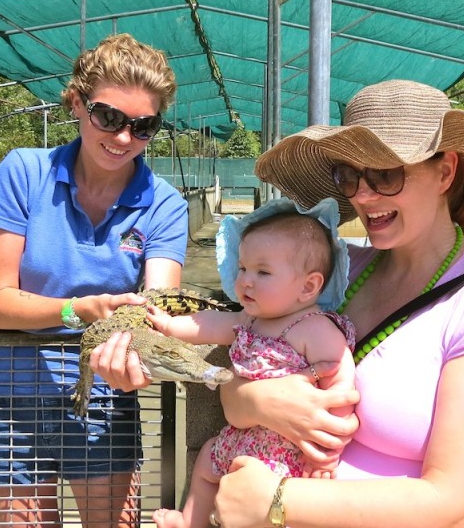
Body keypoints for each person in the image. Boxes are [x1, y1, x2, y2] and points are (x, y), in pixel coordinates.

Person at [91, 78, 464, 528]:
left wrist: (277, 500)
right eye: (351, 176)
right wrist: (252, 399)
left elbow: (453, 501)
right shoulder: (342, 270)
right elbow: (248, 355)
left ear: (445, 173)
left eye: (386, 175)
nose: (364, 196)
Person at [0, 33, 189, 528]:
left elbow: (158, 303)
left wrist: (142, 346)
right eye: (108, 117)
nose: (123, 137)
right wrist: (78, 310)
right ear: (76, 103)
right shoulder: (24, 172)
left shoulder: (165, 204)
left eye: (143, 126)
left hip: (104, 391)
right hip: (10, 390)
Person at [149, 198, 357, 528]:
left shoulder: (314, 327)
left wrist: (326, 452)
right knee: (206, 459)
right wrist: (170, 325)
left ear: (308, 286)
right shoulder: (249, 319)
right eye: (243, 268)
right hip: (244, 435)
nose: (245, 280)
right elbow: (209, 324)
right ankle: (191, 520)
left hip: (289, 448)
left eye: (263, 272)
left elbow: (341, 385)